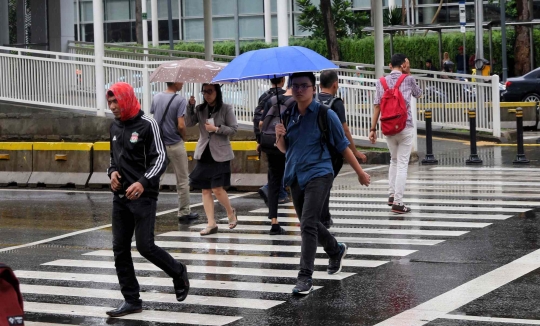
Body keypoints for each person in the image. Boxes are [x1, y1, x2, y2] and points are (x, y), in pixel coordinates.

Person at [275, 72, 371, 295]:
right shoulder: (288, 113)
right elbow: (284, 149)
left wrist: (359, 172)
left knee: (307, 223)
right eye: (295, 86)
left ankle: (305, 276)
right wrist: (279, 136)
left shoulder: (325, 114)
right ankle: (335, 249)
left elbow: (342, 145)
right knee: (310, 223)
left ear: (313, 88)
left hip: (319, 172)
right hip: (295, 174)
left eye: (304, 86)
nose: (299, 90)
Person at [106, 82, 189, 317]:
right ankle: (131, 300)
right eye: (110, 102)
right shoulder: (114, 126)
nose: (113, 107)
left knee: (145, 246)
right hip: (120, 197)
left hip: (144, 195)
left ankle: (178, 271)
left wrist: (142, 182)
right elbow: (113, 159)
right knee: (119, 248)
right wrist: (111, 173)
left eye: (116, 102)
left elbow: (160, 159)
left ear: (127, 100)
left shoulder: (147, 124)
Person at [369, 54, 423, 214]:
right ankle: (398, 203)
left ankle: (392, 194)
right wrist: (409, 72)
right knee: (402, 164)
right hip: (404, 126)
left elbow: (377, 106)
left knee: (393, 160)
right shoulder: (408, 79)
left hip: (387, 126)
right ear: (404, 64)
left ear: (390, 65)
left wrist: (373, 129)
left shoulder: (381, 82)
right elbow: (419, 94)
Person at [185, 83, 238, 236]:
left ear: (217, 91)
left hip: (220, 154)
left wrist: (217, 129)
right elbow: (189, 123)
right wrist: (190, 106)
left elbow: (234, 129)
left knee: (217, 189)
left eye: (210, 91)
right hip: (204, 153)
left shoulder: (226, 108)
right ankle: (211, 223)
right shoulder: (200, 109)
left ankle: (230, 212)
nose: (207, 95)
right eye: (204, 92)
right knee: (205, 189)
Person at [317, 70, 367, 229]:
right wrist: (355, 151)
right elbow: (344, 130)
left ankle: (323, 216)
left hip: (316, 149)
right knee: (326, 183)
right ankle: (323, 218)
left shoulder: (312, 100)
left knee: (321, 183)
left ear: (319, 85)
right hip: (333, 152)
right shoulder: (336, 103)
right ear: (335, 84)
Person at [150, 82, 199, 221]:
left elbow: (155, 117)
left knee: (155, 177)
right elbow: (181, 125)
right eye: (181, 81)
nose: (183, 83)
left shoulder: (156, 97)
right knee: (182, 180)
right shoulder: (179, 100)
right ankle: (184, 212)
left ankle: (147, 207)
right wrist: (183, 137)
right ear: (175, 82)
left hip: (159, 145)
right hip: (175, 144)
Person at [258, 80, 296, 235]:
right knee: (294, 180)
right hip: (288, 146)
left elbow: (261, 124)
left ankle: (274, 221)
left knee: (273, 182)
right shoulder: (296, 102)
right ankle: (303, 218)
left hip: (270, 145)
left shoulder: (271, 100)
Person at [254, 77, 290, 206]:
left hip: (266, 138)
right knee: (282, 166)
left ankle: (276, 192)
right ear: (283, 80)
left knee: (273, 167)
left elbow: (258, 119)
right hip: (280, 137)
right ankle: (273, 190)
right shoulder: (285, 96)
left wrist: (259, 139)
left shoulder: (264, 97)